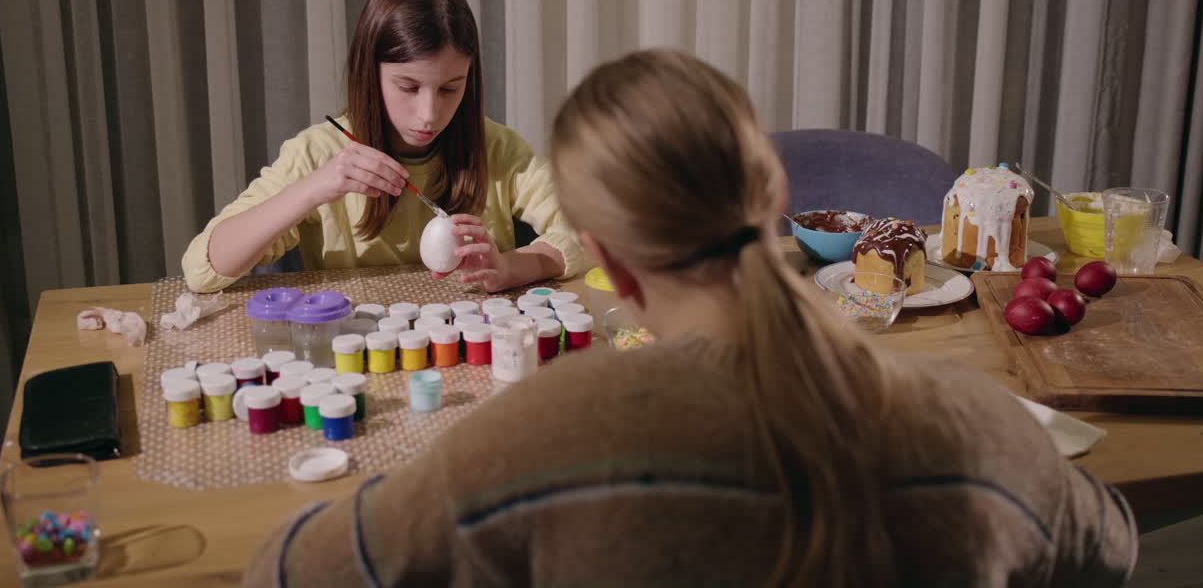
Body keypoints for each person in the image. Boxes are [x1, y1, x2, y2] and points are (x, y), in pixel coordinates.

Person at [242, 50, 1136, 586]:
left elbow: (288, 573)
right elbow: (1111, 551)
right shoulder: (975, 429)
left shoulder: (536, 442)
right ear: (779, 197)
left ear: (608, 258)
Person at [181, 0, 584, 293]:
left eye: (450, 88)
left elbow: (591, 229)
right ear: (368, 74)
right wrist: (315, 187)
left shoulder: (494, 146)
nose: (429, 114)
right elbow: (203, 269)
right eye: (408, 87)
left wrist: (510, 267)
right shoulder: (318, 154)